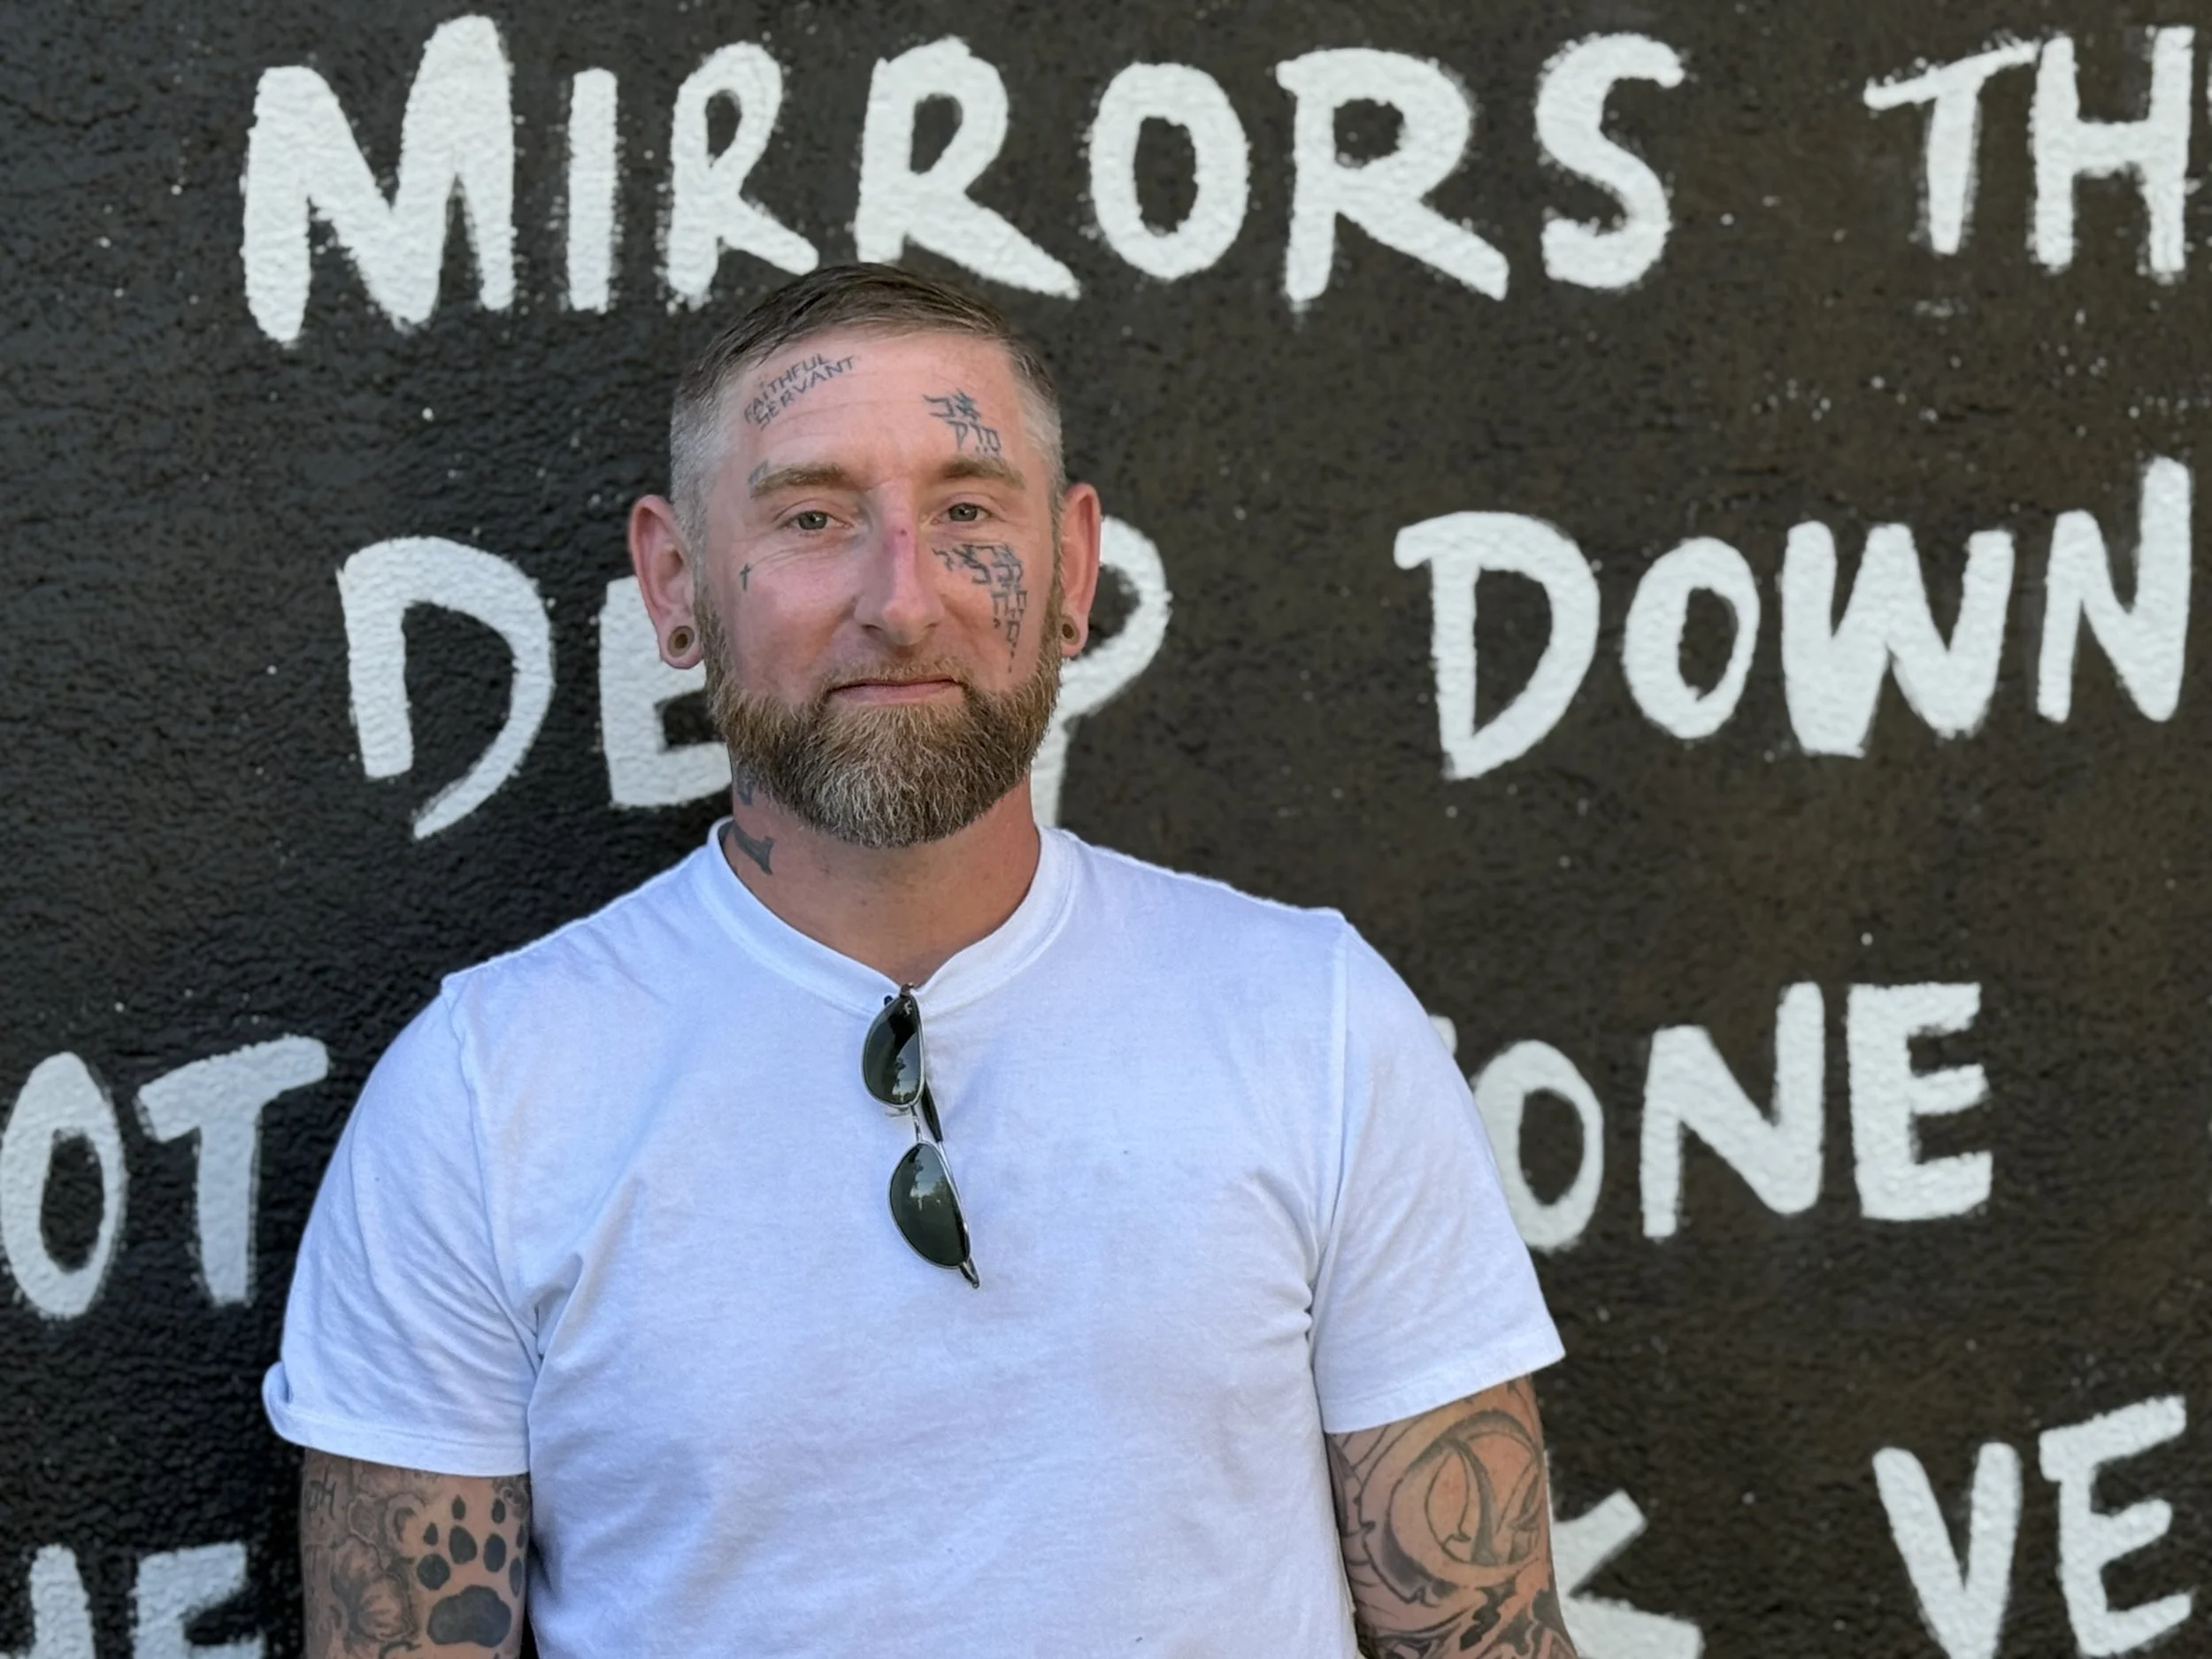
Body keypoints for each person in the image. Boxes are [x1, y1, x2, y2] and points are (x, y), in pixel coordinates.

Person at [264, 263, 1574, 1659]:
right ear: (675, 582)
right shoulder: (482, 1099)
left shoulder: (1316, 1027)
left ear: (1073, 569)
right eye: (812, 517)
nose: (902, 599)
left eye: (966, 511)